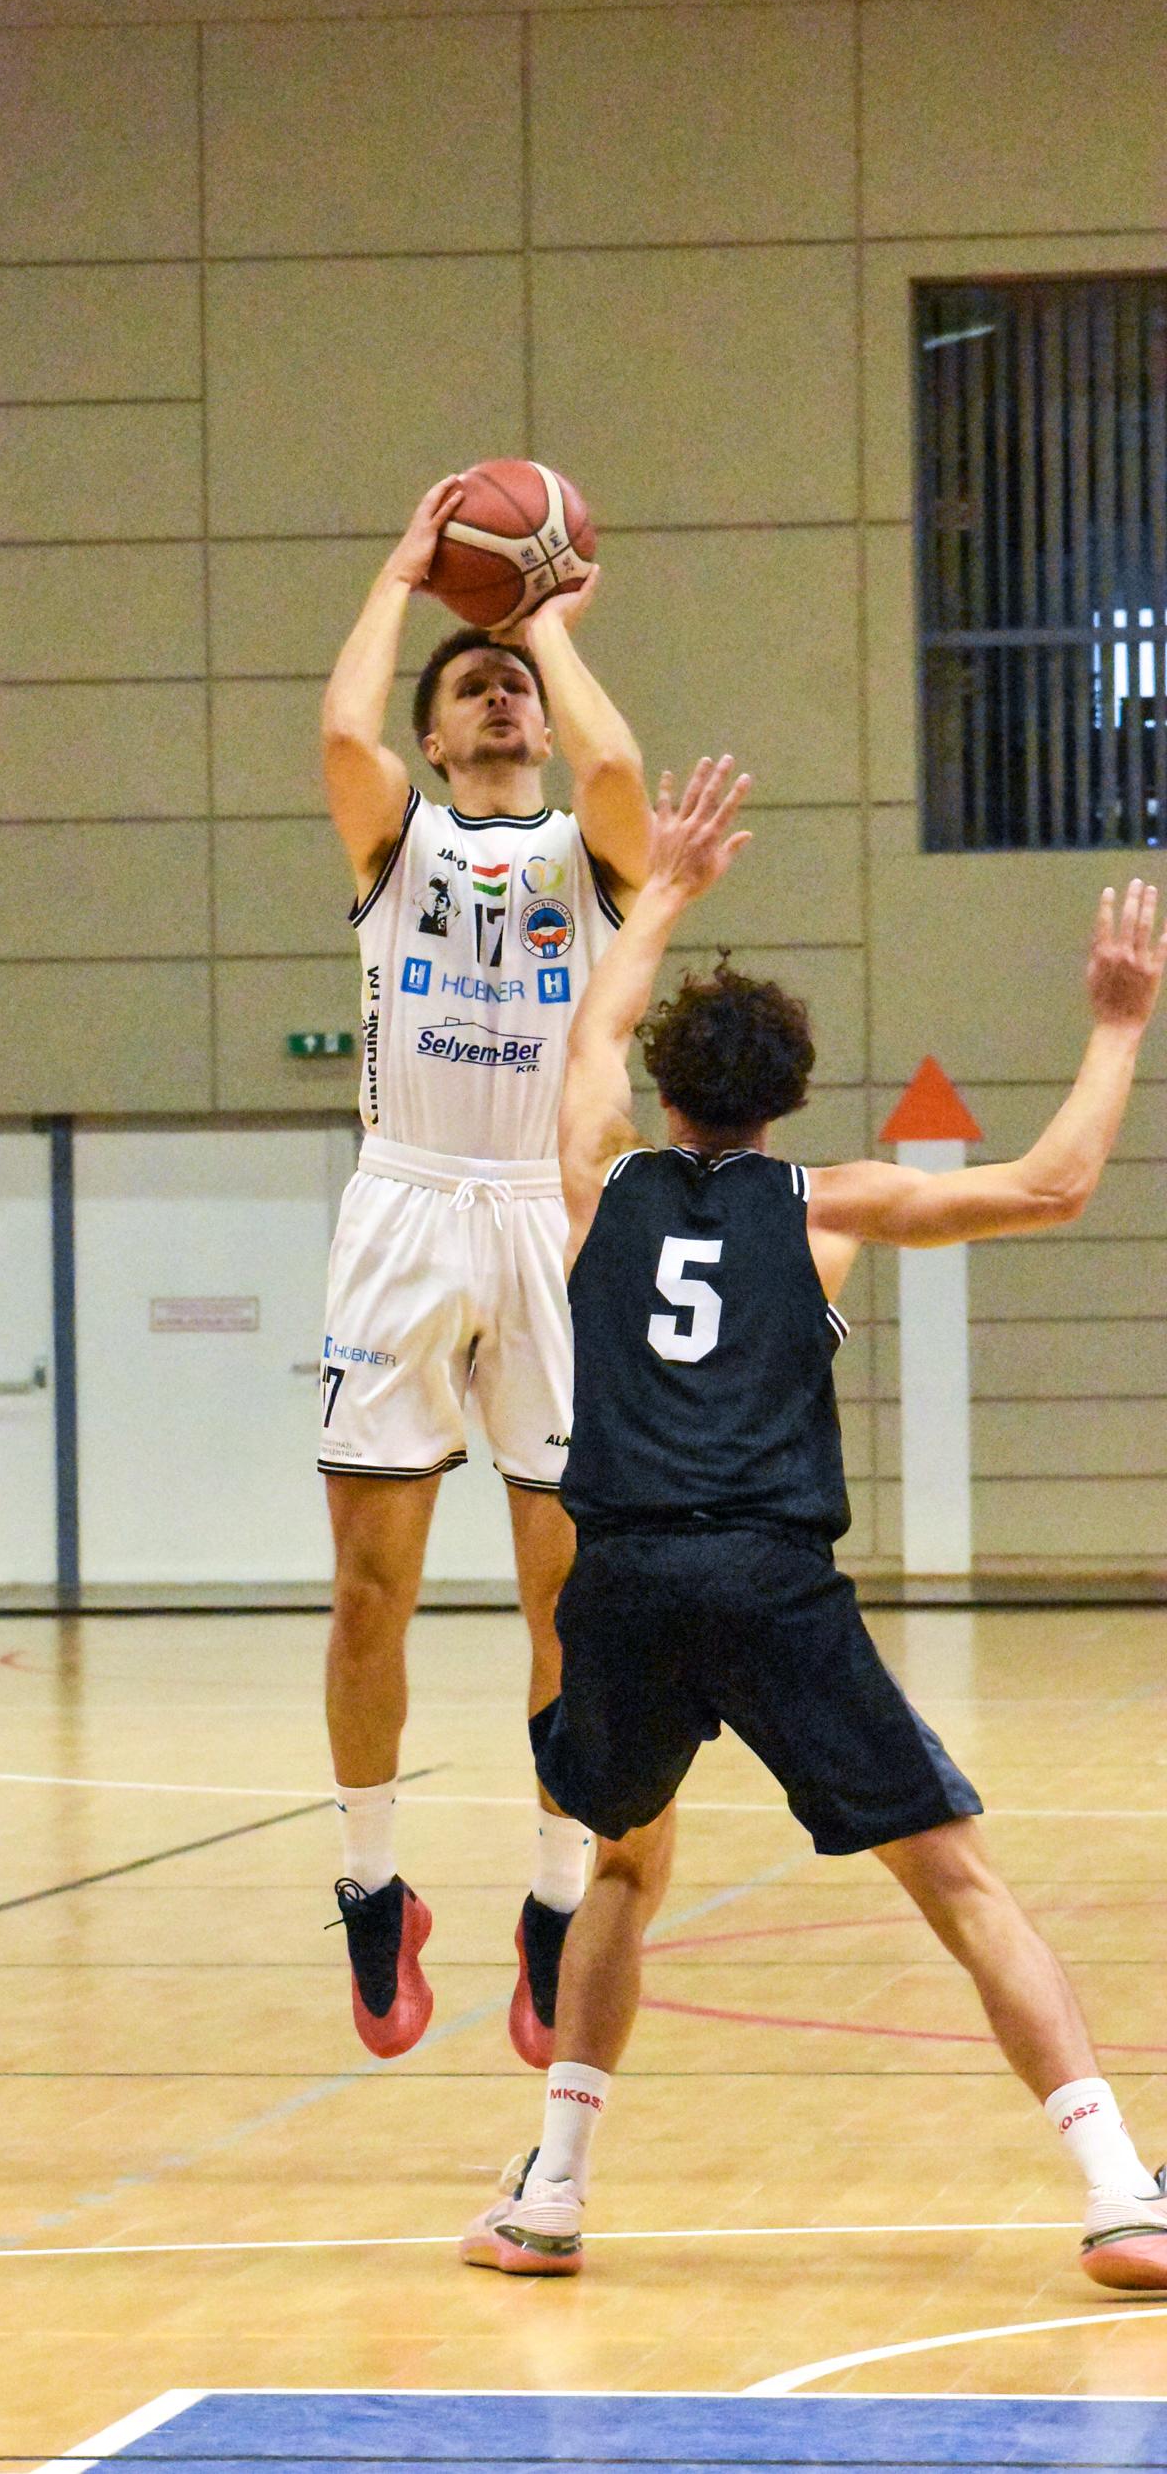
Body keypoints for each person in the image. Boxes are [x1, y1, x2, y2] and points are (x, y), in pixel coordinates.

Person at [461, 753, 1167, 2291]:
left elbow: (585, 1039)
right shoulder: (828, 1207)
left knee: (622, 1872)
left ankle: (552, 2197)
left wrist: (663, 892)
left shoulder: (592, 1184)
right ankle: (1121, 2190)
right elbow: (1056, 1185)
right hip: (771, 1579)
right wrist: (1119, 1024)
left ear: (666, 1088)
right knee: (959, 1882)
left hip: (621, 1581)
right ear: (786, 1098)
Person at [319, 477, 652, 2065]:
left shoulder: (590, 853)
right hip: (404, 1209)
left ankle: (551, 1896)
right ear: (437, 739)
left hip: (546, 1215)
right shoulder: (403, 835)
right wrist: (406, 575)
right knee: (368, 1590)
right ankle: (371, 1885)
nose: (502, 694)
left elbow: (622, 773)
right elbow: (339, 731)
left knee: (567, 1599)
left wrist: (547, 627)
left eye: (512, 682)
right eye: (474, 686)